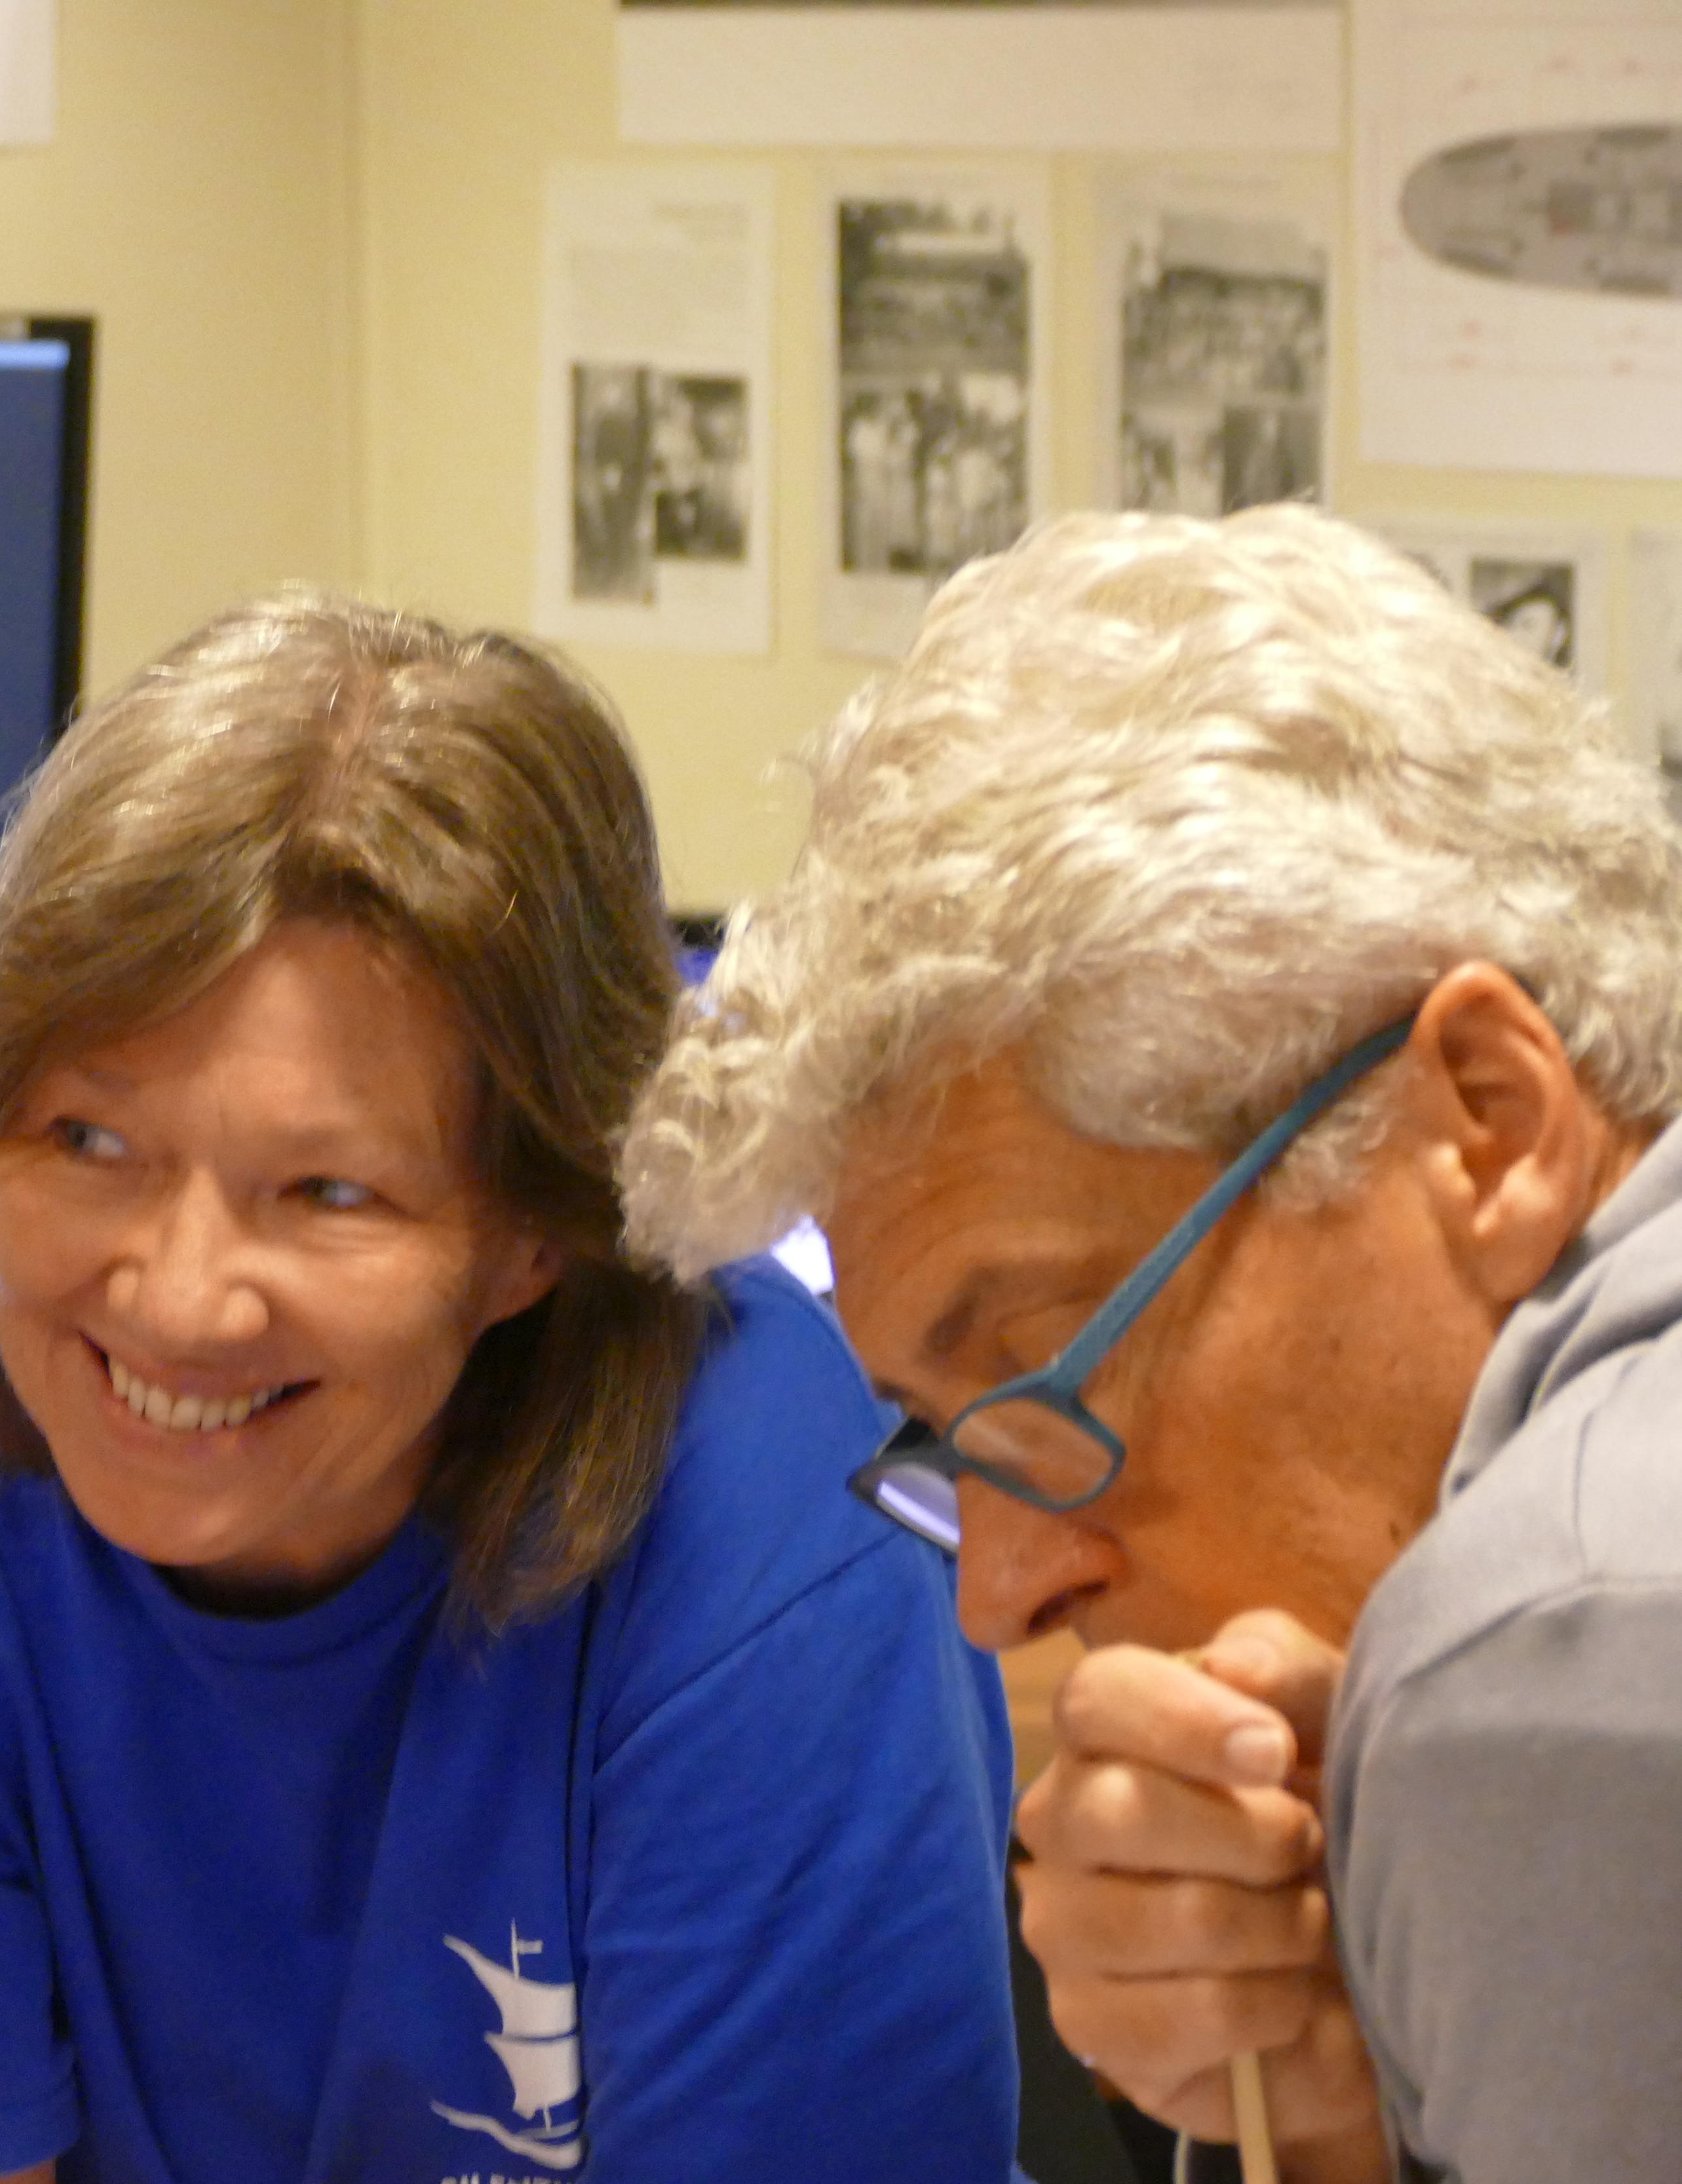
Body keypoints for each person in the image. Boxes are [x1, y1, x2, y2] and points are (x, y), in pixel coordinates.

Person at [0, 592, 1020, 2184]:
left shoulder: (778, 1535)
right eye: (89, 1141)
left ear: (538, 1236)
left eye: (327, 1193)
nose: (176, 1298)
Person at [624, 503, 1682, 2184]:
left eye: (1050, 1367)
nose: (995, 1592)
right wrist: (1340, 2093)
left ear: (1486, 1124)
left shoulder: (1559, 1658)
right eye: (942, 1442)